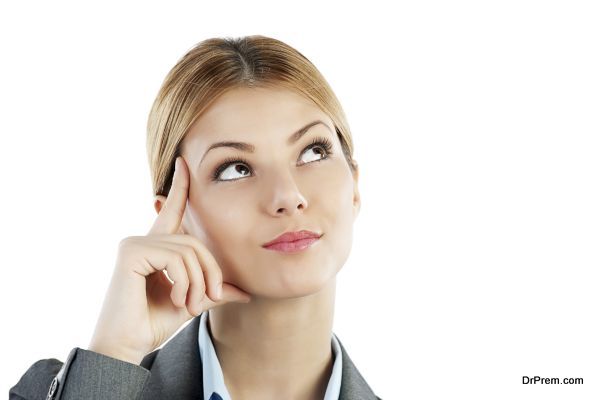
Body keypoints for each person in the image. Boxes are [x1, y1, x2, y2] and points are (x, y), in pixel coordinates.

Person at [10, 35, 381, 400]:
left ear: (354, 188)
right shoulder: (63, 391)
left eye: (314, 152)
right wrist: (116, 350)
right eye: (236, 169)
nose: (288, 196)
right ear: (176, 218)